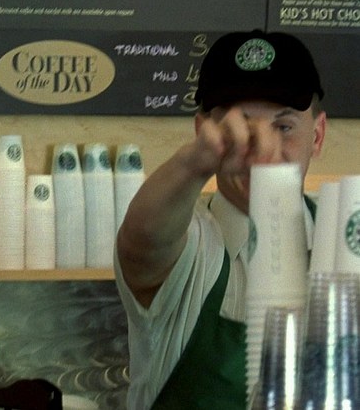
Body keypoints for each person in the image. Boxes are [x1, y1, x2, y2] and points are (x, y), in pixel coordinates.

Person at [115, 30, 327, 409]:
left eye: (283, 127)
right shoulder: (193, 246)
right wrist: (193, 163)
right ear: (203, 133)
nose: (262, 149)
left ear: (318, 135)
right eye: (238, 129)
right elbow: (143, 241)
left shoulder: (342, 240)